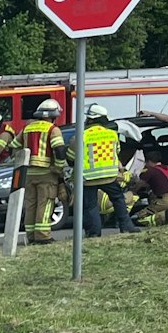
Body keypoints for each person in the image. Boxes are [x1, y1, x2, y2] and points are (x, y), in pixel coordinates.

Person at [19, 99, 69, 244]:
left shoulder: (27, 128)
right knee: (45, 203)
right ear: (53, 116)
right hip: (47, 174)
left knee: (31, 204)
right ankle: (43, 236)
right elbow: (59, 150)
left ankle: (31, 236)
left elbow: (14, 146)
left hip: (28, 174)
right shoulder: (53, 129)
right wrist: (58, 169)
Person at [78, 104, 130, 234]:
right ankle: (126, 227)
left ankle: (94, 233)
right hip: (110, 176)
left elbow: (72, 157)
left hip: (89, 178)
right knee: (118, 199)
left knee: (91, 206)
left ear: (90, 119)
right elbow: (117, 151)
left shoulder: (82, 135)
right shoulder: (112, 134)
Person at [127, 161, 168, 228]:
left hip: (164, 200)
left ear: (149, 162)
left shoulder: (151, 171)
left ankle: (163, 217)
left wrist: (132, 190)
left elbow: (139, 185)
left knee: (137, 217)